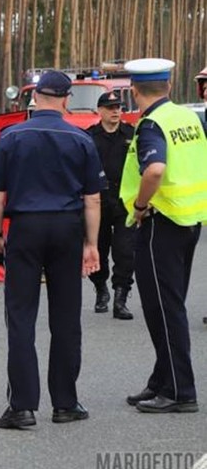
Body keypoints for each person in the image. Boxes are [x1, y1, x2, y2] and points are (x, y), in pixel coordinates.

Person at [0, 70, 104, 429]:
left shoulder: (11, 136)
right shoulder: (81, 139)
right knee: (66, 318)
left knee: (21, 316)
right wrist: (91, 244)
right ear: (66, 99)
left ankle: (21, 407)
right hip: (67, 229)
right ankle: (66, 403)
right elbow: (92, 199)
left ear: (35, 97)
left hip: (26, 229)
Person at [120, 58, 207, 414]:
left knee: (163, 309)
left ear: (134, 91)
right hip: (189, 220)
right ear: (169, 87)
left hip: (161, 223)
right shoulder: (189, 117)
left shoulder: (152, 123)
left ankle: (179, 391)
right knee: (169, 304)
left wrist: (140, 205)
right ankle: (161, 379)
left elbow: (155, 169)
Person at [85, 92, 135, 320]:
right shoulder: (89, 137)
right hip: (98, 201)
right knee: (100, 249)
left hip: (125, 200)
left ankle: (120, 298)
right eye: (110, 107)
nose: (115, 111)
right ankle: (101, 289)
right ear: (100, 111)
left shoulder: (131, 134)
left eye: (118, 107)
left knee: (125, 251)